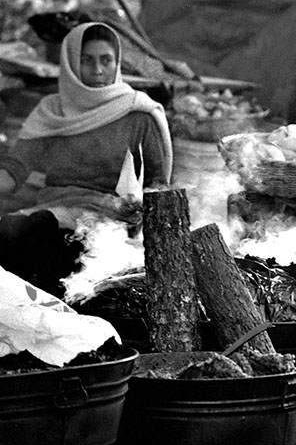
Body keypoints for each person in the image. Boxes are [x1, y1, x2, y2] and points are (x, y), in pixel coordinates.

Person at [0, 21, 172, 297]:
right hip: (56, 211)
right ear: (70, 62)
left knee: (61, 252)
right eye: (86, 60)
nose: (97, 70)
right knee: (11, 232)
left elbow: (159, 186)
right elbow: (14, 171)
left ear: (117, 64)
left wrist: (137, 208)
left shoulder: (137, 113)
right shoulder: (53, 111)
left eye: (106, 60)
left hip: (111, 221)